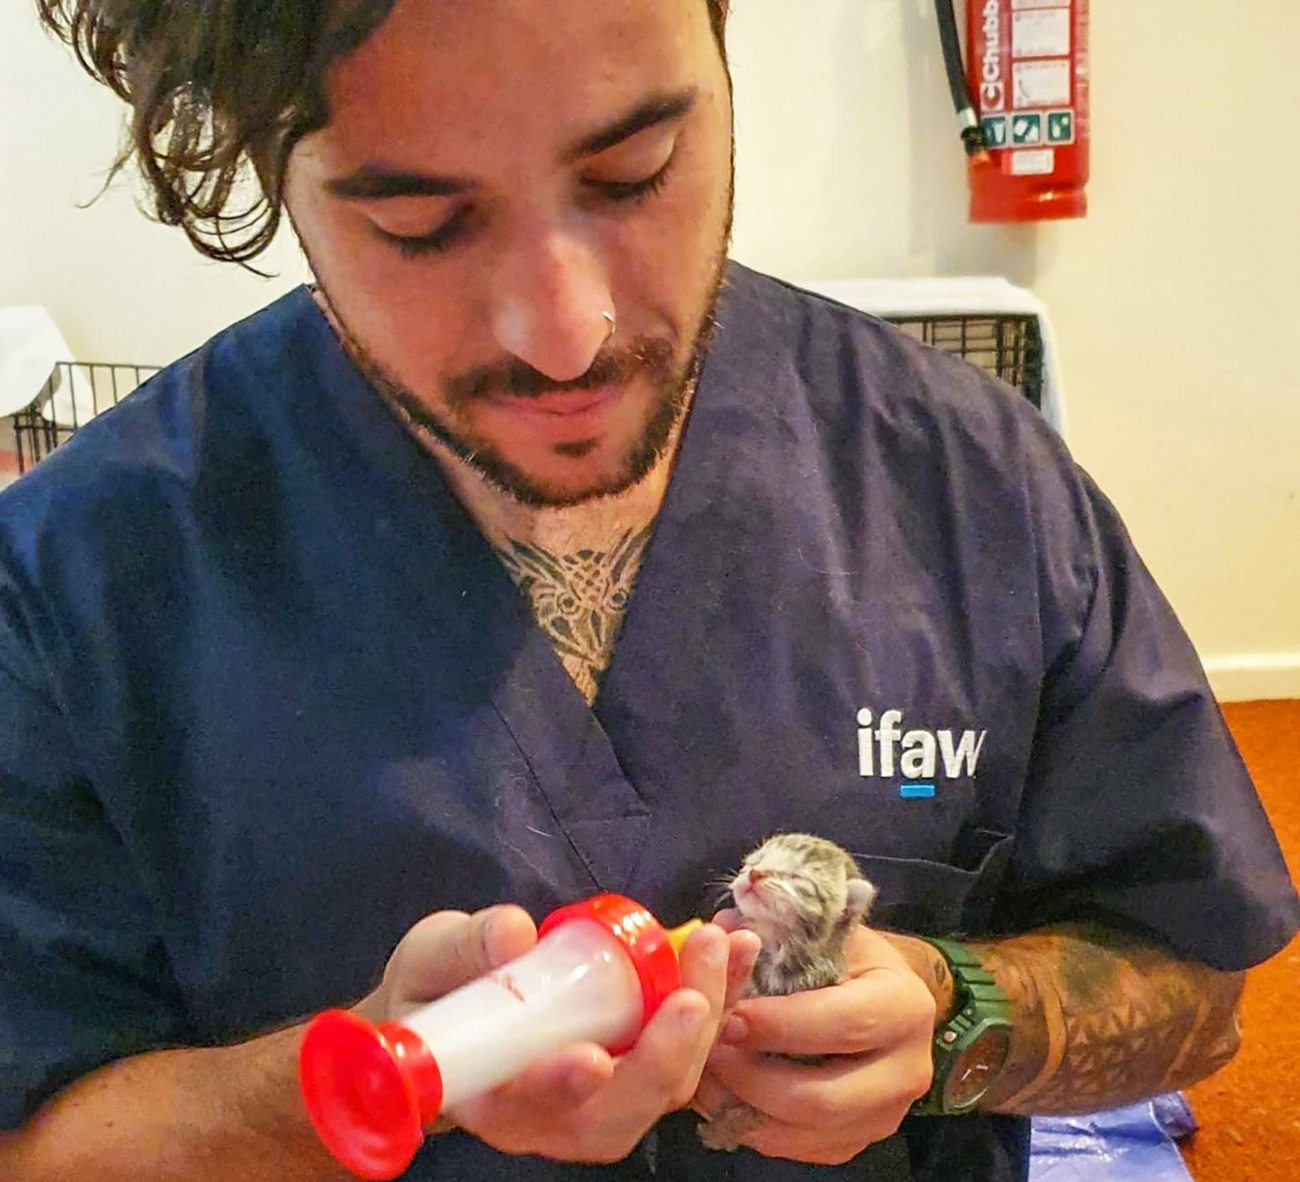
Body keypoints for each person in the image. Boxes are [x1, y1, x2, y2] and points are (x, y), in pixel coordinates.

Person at [2, 1, 1296, 1179]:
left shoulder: (976, 488)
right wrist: (349, 1082)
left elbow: (1195, 979)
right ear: (271, 171)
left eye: (633, 175)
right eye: (418, 224)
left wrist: (957, 1011)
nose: (566, 331)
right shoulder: (80, 582)